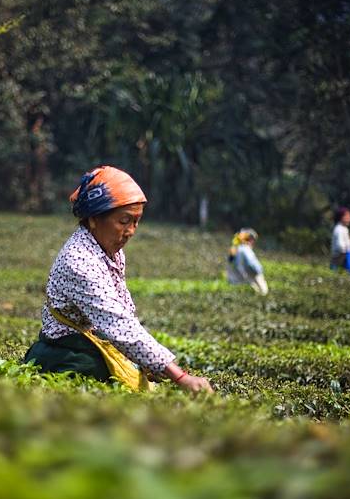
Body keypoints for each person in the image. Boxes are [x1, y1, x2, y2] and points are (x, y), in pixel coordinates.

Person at [23, 165, 213, 393]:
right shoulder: (80, 262)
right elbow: (118, 324)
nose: (131, 230)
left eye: (136, 221)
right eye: (124, 221)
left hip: (92, 341)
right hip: (68, 352)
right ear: (94, 219)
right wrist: (181, 377)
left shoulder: (109, 250)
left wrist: (149, 361)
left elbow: (123, 310)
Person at [226, 228, 269, 295]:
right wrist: (259, 271)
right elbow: (252, 265)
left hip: (235, 281)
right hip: (248, 277)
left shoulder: (234, 248)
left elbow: (230, 264)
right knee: (263, 292)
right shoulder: (245, 249)